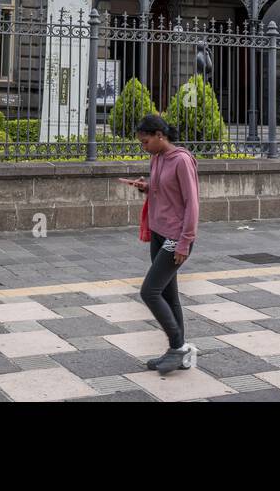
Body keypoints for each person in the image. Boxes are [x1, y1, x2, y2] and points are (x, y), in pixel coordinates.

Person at [123, 115, 200, 375]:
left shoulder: (181, 160)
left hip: (175, 237)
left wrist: (184, 242)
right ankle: (176, 350)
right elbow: (164, 190)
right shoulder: (157, 158)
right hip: (158, 232)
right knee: (168, 293)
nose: (143, 146)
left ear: (159, 135)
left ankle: (178, 347)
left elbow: (192, 203)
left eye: (145, 141)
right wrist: (146, 187)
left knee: (149, 292)